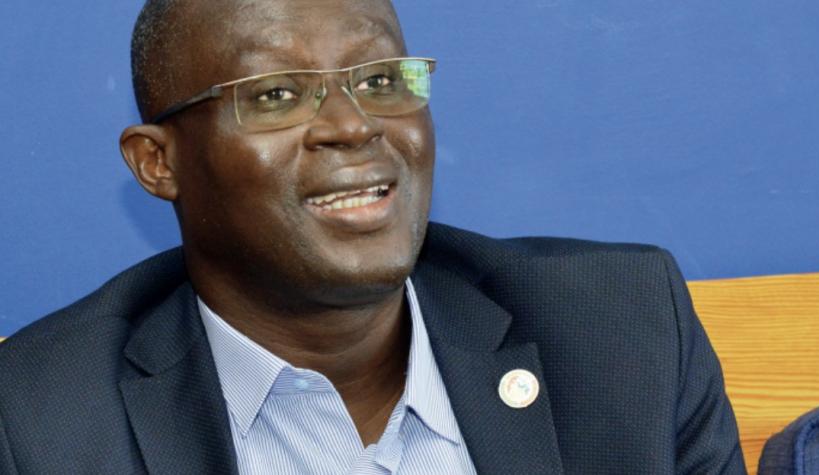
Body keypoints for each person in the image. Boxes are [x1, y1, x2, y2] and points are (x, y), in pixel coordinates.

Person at [0, 0, 746, 473]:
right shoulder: (40, 424)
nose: (352, 125)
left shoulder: (622, 334)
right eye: (277, 94)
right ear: (158, 163)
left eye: (380, 82)